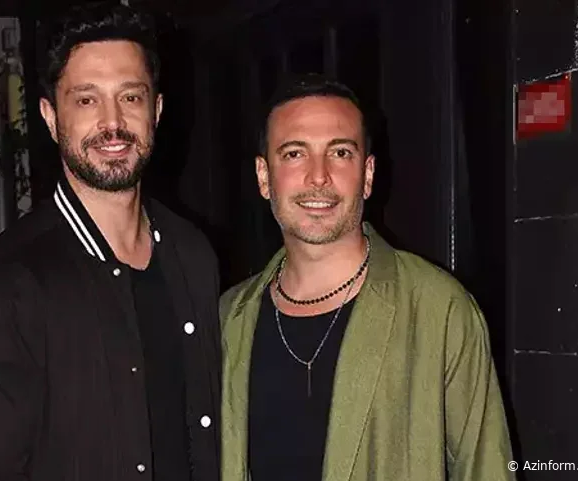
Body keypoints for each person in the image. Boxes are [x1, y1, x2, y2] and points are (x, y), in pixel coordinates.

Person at [0, 4, 221, 481]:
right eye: (87, 100)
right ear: (51, 118)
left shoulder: (192, 253)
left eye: (130, 97)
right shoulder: (4, 285)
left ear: (155, 110)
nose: (113, 122)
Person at [219, 73, 515, 481]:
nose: (319, 176)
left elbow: (488, 469)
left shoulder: (439, 310)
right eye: (294, 154)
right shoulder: (229, 318)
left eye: (340, 153)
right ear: (264, 177)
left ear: (368, 174)